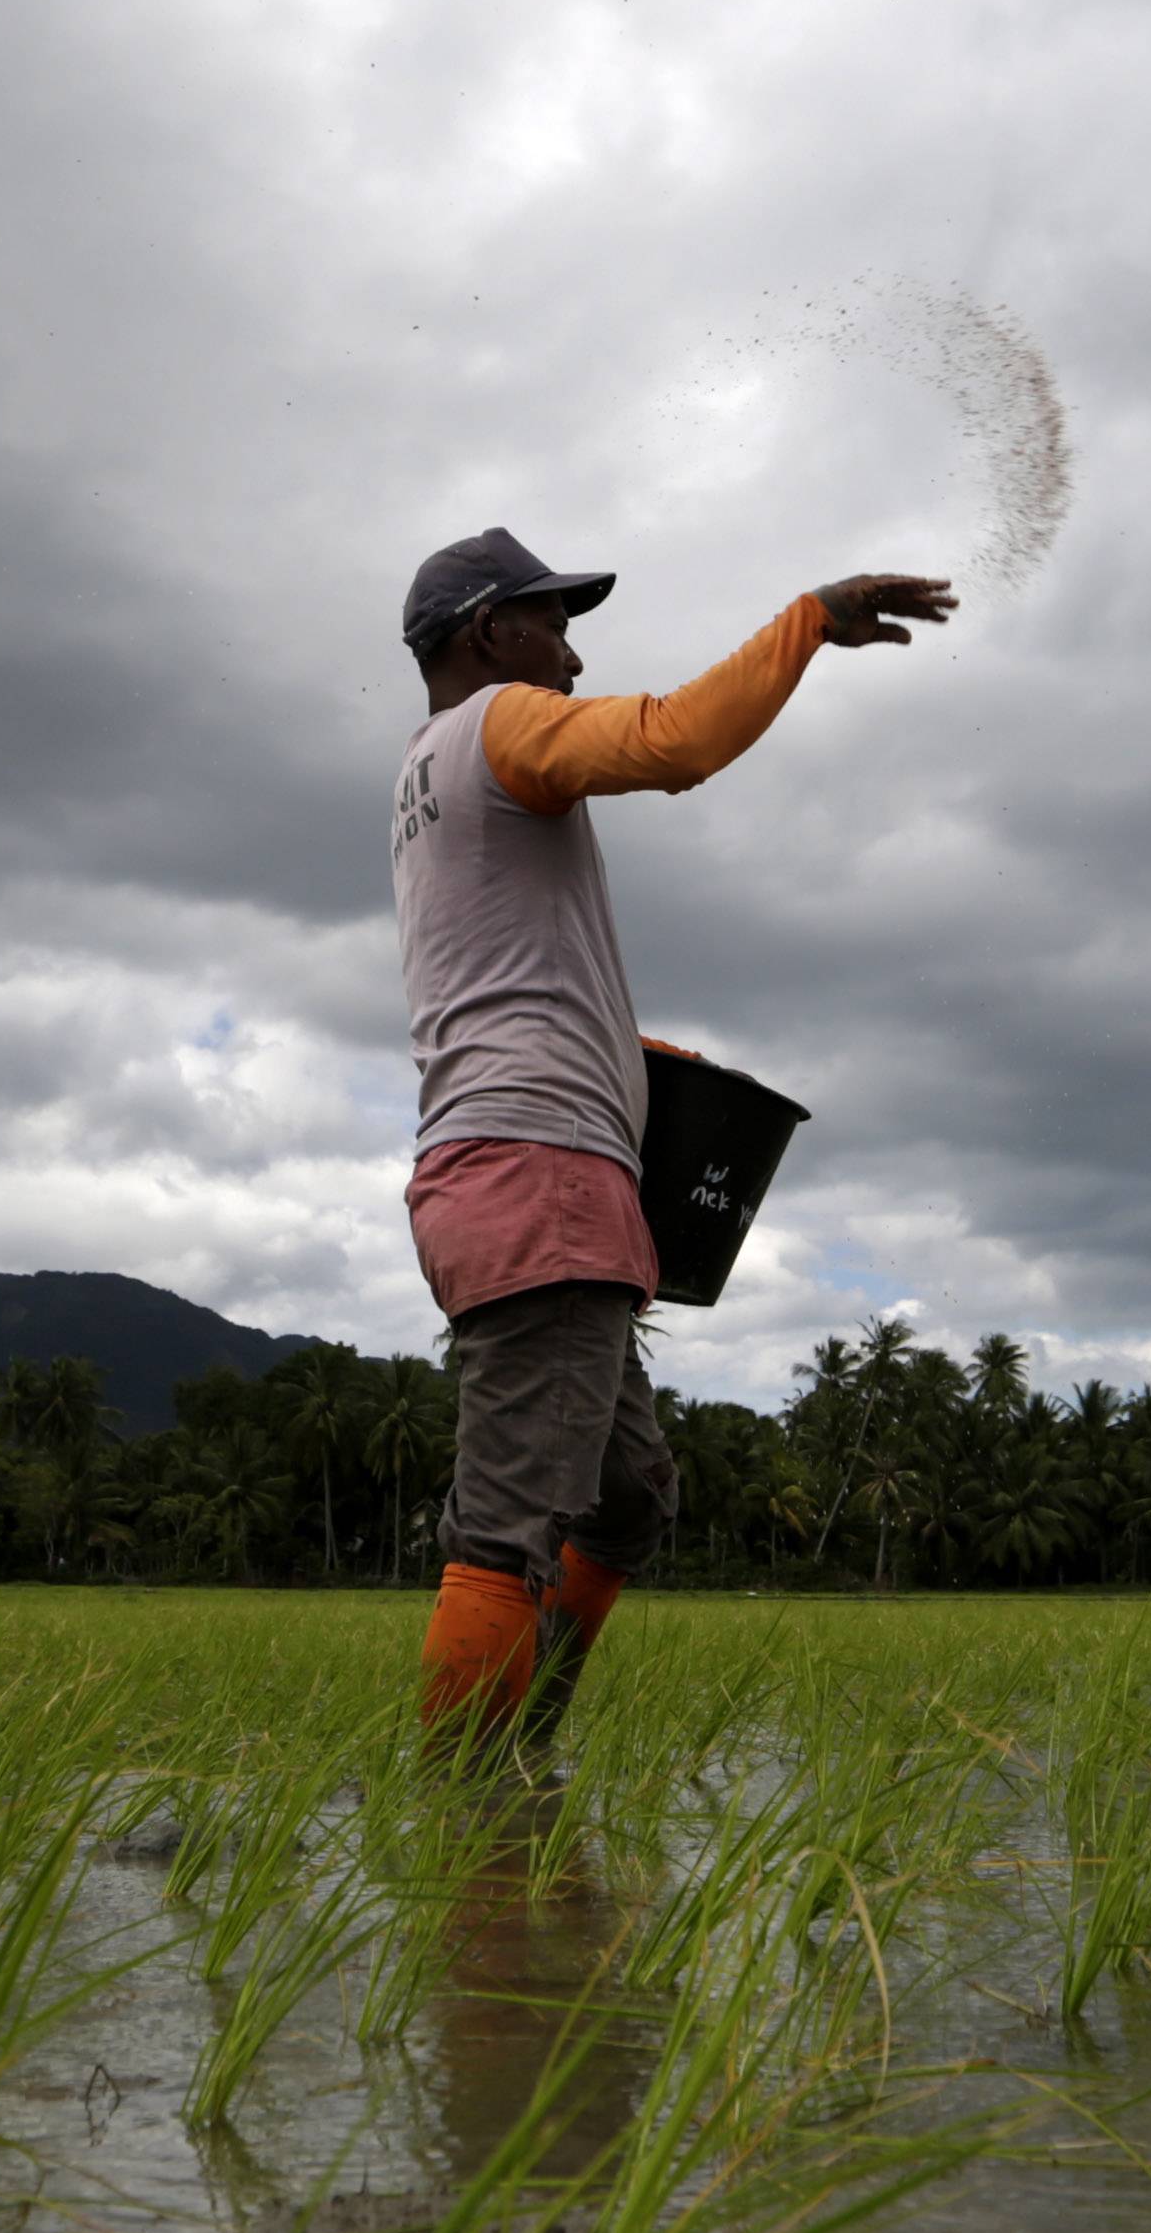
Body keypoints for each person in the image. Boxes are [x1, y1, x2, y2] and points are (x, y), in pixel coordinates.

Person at [390, 527, 953, 1744]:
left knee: (628, 1494)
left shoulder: (429, 777)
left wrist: (637, 1069)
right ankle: (456, 1816)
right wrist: (814, 613)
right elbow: (673, 741)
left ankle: (520, 1741)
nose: (573, 652)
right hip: (537, 1169)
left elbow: (505, 980)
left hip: (528, 1160)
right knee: (510, 1520)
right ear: (489, 634)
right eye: (552, 622)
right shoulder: (498, 725)